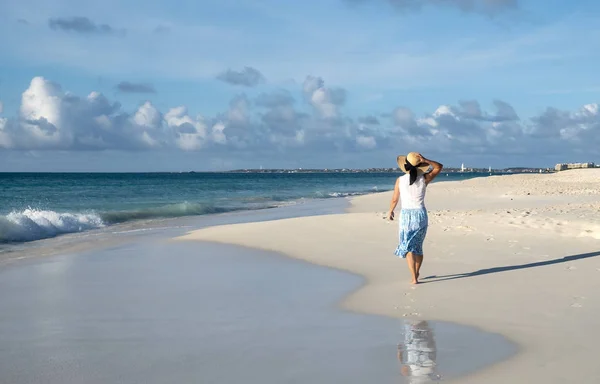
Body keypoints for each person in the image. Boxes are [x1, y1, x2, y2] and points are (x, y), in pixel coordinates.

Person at [388, 152, 443, 284]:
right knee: (417, 247)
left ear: (405, 165)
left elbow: (395, 199)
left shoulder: (400, 180)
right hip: (420, 215)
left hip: (406, 216)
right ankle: (416, 273)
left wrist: (391, 211)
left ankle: (414, 277)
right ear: (420, 165)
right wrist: (426, 159)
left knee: (408, 247)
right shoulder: (424, 178)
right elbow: (439, 167)